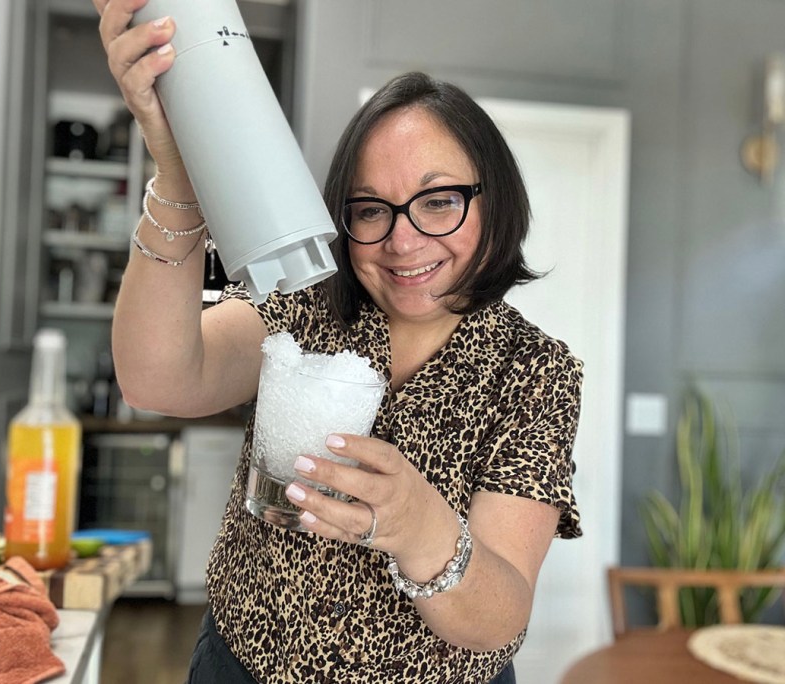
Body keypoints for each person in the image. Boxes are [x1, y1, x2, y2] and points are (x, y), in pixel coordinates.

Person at [95, 2, 583, 682]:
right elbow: (158, 380)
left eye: (438, 200)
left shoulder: (535, 372)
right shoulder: (309, 304)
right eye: (369, 209)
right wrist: (179, 173)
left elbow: (497, 618)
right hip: (242, 664)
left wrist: (417, 525)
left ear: (493, 203)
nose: (402, 239)